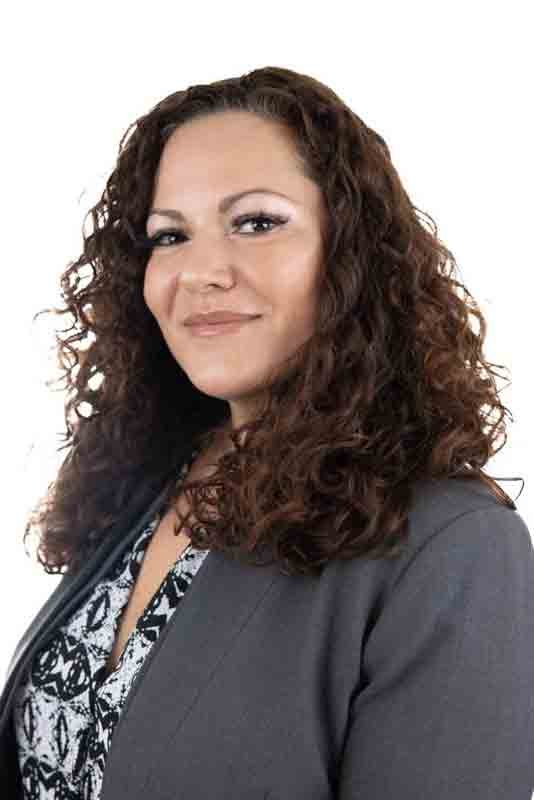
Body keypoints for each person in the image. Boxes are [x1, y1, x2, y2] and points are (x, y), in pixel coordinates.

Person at [1, 66, 532, 799]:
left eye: (256, 222)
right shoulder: (147, 487)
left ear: (351, 255)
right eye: (169, 235)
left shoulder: (454, 549)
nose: (200, 271)